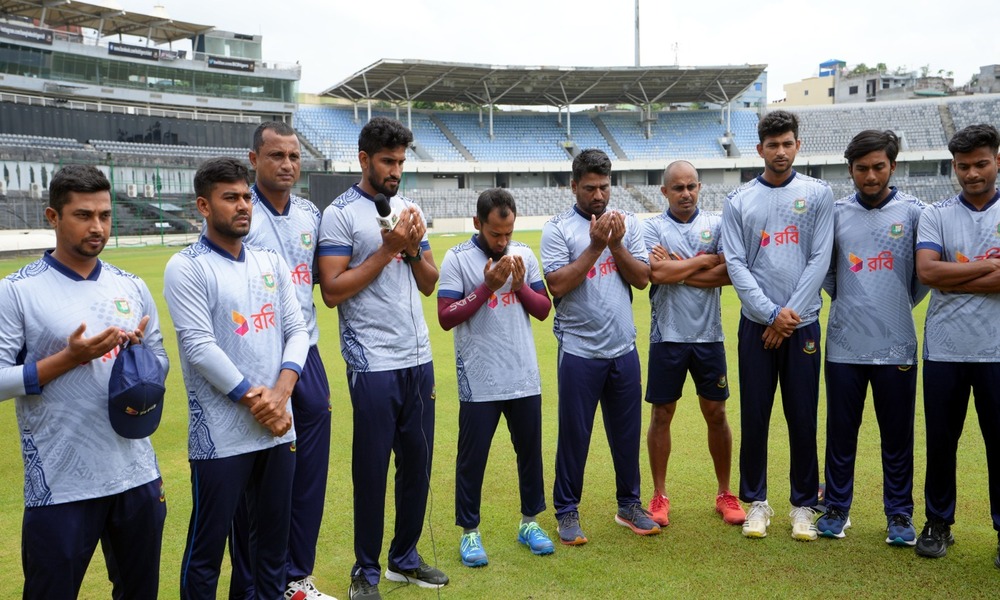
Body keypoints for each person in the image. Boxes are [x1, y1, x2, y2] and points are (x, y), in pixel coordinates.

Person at [0, 165, 168, 599]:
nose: (97, 227)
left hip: (136, 473)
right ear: (52, 216)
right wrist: (68, 359)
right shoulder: (18, 290)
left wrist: (138, 356)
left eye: (105, 215)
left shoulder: (129, 285)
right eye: (83, 215)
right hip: (61, 483)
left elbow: (162, 363)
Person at [164, 157, 309, 599]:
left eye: (246, 196)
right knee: (206, 554)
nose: (243, 205)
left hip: (277, 430)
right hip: (221, 438)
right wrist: (255, 400)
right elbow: (199, 347)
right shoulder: (186, 266)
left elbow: (297, 330)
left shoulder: (269, 261)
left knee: (271, 551)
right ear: (204, 206)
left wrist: (281, 394)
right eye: (231, 198)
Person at [317, 117, 447, 600]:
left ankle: (404, 559)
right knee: (371, 469)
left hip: (418, 358)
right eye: (387, 161)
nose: (395, 171)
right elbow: (332, 291)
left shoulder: (411, 207)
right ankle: (365, 572)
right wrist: (387, 248)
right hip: (371, 362)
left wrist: (411, 250)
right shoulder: (341, 214)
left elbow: (429, 281)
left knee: (417, 464)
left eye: (400, 162)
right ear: (364, 160)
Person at [227, 121, 335, 600]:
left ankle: (297, 579)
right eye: (276, 156)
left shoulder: (311, 212)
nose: (287, 165)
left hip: (305, 353)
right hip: (254, 356)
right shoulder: (239, 211)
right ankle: (251, 585)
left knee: (308, 474)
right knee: (253, 476)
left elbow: (313, 283)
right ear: (254, 159)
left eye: (294, 156)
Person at [720, 109, 834, 540]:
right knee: (755, 415)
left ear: (797, 145)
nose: (781, 151)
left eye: (788, 143)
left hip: (801, 326)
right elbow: (735, 262)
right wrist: (770, 314)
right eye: (773, 145)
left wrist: (788, 318)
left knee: (802, 415)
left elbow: (820, 258)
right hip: (757, 326)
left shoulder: (818, 194)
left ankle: (803, 505)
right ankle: (757, 504)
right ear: (760, 149)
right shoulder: (740, 200)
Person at [540, 148, 658, 545]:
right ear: (573, 186)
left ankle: (629, 505)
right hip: (579, 351)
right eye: (589, 188)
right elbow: (556, 285)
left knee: (626, 433)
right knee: (575, 435)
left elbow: (642, 279)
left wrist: (617, 244)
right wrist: (594, 246)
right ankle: (566, 511)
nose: (598, 195)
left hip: (622, 348)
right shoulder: (558, 229)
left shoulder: (627, 224)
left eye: (604, 187)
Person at [816, 130, 927, 545]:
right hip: (845, 344)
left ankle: (899, 515)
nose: (870, 175)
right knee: (841, 433)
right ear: (850, 171)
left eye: (878, 167)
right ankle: (837, 510)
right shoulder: (837, 213)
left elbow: (920, 280)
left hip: (897, 342)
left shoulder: (915, 213)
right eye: (861, 168)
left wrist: (893, 303)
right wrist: (855, 301)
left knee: (897, 435)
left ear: (892, 166)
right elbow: (826, 273)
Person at [437, 188, 555, 568]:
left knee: (529, 454)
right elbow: (446, 316)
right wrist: (487, 287)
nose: (503, 242)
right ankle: (469, 531)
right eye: (495, 234)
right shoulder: (458, 259)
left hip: (523, 376)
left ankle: (530, 523)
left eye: (508, 233)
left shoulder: (524, 255)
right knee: (472, 459)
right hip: (478, 380)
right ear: (477, 224)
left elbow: (542, 310)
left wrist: (519, 287)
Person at [914, 123, 1000, 568]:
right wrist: (988, 266)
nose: (972, 173)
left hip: (996, 351)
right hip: (945, 349)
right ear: (954, 167)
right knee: (942, 442)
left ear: (997, 161)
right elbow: (928, 274)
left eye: (980, 164)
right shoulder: (936, 214)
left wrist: (957, 275)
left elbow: (945, 275)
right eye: (964, 166)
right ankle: (937, 523)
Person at [642, 161, 745, 528]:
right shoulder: (652, 226)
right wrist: (704, 261)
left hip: (709, 338)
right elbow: (655, 273)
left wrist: (679, 269)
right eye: (677, 188)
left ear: (699, 187)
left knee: (716, 415)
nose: (685, 194)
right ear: (664, 191)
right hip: (666, 337)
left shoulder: (716, 225)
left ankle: (724, 493)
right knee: (661, 415)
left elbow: (730, 272)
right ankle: (658, 495)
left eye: (691, 187)